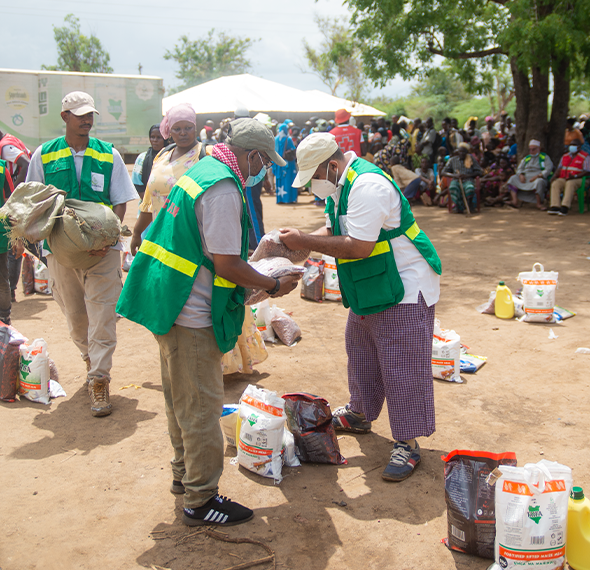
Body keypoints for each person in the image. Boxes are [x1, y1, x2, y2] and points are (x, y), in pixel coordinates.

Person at [116, 118, 301, 526]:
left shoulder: (202, 169)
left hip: (171, 301)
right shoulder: (222, 189)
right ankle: (201, 500)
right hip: (190, 310)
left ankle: (184, 476)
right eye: (263, 161)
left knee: (180, 399)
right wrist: (271, 283)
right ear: (251, 155)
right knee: (201, 406)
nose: (264, 169)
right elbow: (227, 264)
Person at [279, 132, 441, 483]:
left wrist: (304, 242)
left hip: (404, 284)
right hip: (373, 284)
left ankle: (407, 442)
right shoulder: (340, 185)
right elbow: (333, 226)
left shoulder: (367, 186)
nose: (312, 187)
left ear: (332, 165)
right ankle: (360, 413)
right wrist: (301, 246)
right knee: (362, 348)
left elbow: (358, 246)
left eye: (314, 178)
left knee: (401, 364)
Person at [25, 91, 139, 417]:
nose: (87, 120)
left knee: (103, 315)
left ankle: (99, 378)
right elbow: (35, 202)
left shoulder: (108, 154)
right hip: (61, 253)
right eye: (80, 115)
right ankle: (90, 358)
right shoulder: (44, 156)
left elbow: (120, 199)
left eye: (90, 114)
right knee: (76, 318)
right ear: (65, 117)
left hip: (102, 251)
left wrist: (110, 234)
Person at [131, 104, 202, 255]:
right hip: (160, 238)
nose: (183, 133)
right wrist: (137, 232)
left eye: (188, 127)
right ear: (169, 131)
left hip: (190, 239)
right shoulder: (163, 155)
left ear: (195, 128)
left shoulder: (204, 155)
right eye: (177, 129)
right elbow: (150, 200)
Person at [506, 139, 553, 210]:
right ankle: (514, 201)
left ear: (539, 149)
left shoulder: (545, 157)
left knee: (539, 182)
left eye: (533, 149)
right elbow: (519, 169)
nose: (531, 151)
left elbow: (549, 169)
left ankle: (539, 204)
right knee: (513, 178)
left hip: (537, 177)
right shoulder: (526, 158)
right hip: (525, 178)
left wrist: (538, 176)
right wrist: (521, 175)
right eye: (530, 150)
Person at [548, 139, 590, 216]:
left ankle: (565, 207)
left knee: (570, 183)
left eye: (574, 145)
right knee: (556, 183)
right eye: (571, 145)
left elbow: (587, 171)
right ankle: (555, 206)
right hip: (565, 178)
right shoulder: (565, 156)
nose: (572, 147)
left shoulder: (585, 156)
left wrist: (575, 176)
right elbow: (559, 168)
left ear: (579, 147)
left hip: (580, 179)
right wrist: (554, 176)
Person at [442, 143, 484, 212]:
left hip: (468, 180)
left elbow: (479, 172)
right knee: (453, 188)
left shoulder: (471, 159)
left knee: (470, 188)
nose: (462, 153)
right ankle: (458, 206)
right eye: (460, 151)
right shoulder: (452, 160)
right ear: (458, 152)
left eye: (463, 152)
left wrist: (467, 175)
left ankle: (469, 205)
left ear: (467, 152)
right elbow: (443, 172)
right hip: (456, 180)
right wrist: (455, 175)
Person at [131, 125, 165, 200]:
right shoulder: (142, 158)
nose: (155, 140)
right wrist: (150, 203)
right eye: (152, 137)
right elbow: (137, 184)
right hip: (147, 205)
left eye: (159, 137)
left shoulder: (171, 157)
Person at [0, 158, 15, 324]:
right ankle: (5, 318)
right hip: (1, 230)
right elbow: (11, 202)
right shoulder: (2, 168)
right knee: (2, 278)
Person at [274, 123, 297, 203]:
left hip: (279, 165)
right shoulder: (289, 139)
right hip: (288, 165)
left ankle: (280, 199)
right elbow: (293, 150)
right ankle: (289, 199)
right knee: (289, 180)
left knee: (280, 180)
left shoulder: (276, 139)